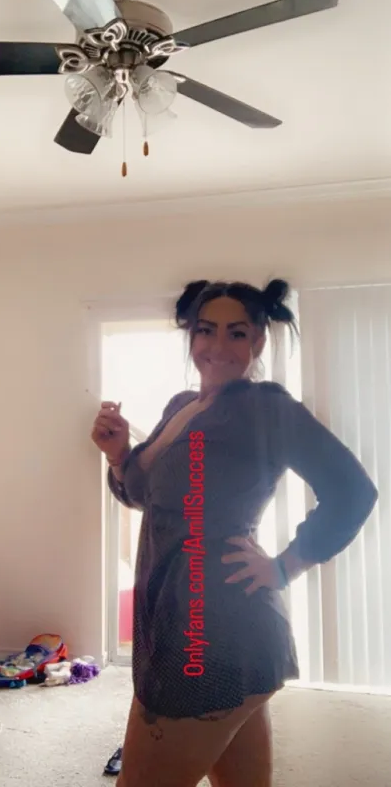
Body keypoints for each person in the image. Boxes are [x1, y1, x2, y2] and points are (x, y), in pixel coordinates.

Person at [91, 279, 378, 787]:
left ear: (258, 342)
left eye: (237, 333)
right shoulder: (181, 406)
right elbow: (146, 494)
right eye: (206, 330)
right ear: (191, 335)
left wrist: (285, 566)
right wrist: (118, 455)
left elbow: (352, 491)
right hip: (175, 624)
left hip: (212, 636)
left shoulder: (265, 408)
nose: (218, 346)